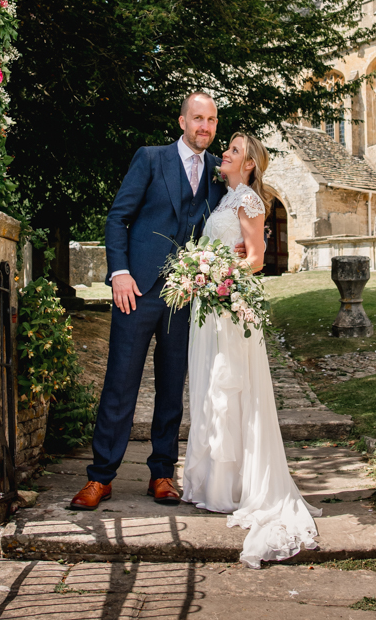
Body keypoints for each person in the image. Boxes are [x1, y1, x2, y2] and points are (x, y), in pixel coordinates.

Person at [70, 91, 226, 510]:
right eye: (197, 118)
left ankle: (162, 473)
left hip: (186, 296)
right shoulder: (151, 158)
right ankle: (100, 477)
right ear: (181, 121)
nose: (204, 127)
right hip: (136, 292)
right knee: (121, 383)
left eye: (211, 120)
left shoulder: (218, 170)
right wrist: (118, 273)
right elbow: (117, 217)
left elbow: (239, 212)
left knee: (172, 389)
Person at [183, 131, 321, 568]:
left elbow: (257, 258)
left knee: (230, 391)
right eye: (229, 147)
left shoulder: (248, 200)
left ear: (249, 166)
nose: (225, 152)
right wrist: (202, 271)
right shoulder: (226, 198)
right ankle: (214, 484)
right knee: (210, 390)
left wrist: (214, 273)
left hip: (229, 308)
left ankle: (236, 487)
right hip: (213, 305)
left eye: (235, 151)